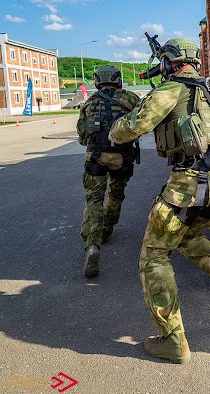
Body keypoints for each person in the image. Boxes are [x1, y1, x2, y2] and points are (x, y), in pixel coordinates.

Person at [109, 38, 210, 364]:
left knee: (154, 256)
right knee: (186, 236)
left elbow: (129, 129)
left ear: (168, 63)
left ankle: (174, 341)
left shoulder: (170, 89)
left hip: (190, 184)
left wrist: (117, 125)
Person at [76, 65, 140, 278]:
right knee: (115, 192)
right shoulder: (130, 98)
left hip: (95, 156)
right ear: (118, 79)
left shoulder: (89, 103)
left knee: (94, 199)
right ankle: (107, 227)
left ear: (97, 81)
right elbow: (142, 122)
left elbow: (82, 136)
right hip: (121, 156)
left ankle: (93, 245)